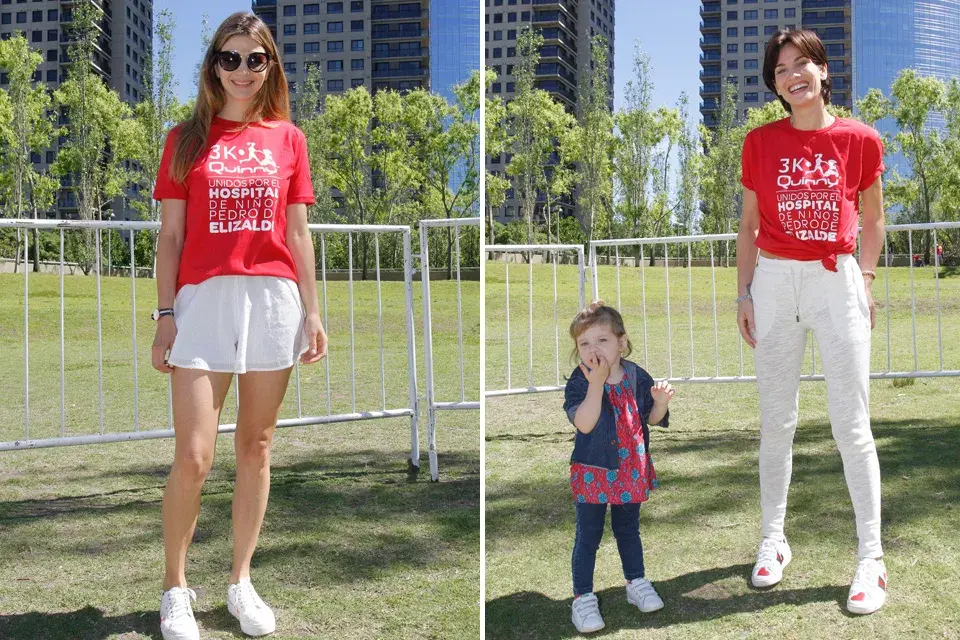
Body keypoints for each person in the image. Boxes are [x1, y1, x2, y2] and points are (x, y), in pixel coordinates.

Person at [150, 12, 327, 640]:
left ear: (271, 66)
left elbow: (297, 235)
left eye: (257, 59)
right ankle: (176, 588)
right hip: (201, 303)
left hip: (273, 300)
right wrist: (166, 314)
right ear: (213, 65)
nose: (244, 70)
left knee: (255, 447)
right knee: (194, 456)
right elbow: (171, 238)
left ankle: (240, 580)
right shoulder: (185, 139)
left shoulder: (289, 139)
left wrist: (312, 310)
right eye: (231, 57)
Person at [737, 29, 887, 615]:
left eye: (803, 64)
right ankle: (773, 540)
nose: (793, 75)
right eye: (781, 70)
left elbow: (873, 221)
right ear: (775, 85)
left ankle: (870, 557)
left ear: (824, 71)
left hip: (836, 279)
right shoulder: (759, 142)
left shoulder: (860, 139)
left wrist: (865, 281)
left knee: (852, 424)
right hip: (773, 282)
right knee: (777, 423)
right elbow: (748, 227)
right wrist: (745, 293)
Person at [562, 301, 675, 633]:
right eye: (584, 343)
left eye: (602, 340)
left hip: (630, 472)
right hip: (593, 473)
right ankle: (582, 599)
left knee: (628, 530)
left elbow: (650, 420)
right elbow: (584, 424)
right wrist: (596, 384)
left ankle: (635, 583)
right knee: (589, 536)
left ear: (621, 342)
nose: (593, 349)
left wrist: (660, 403)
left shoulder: (637, 376)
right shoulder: (580, 382)